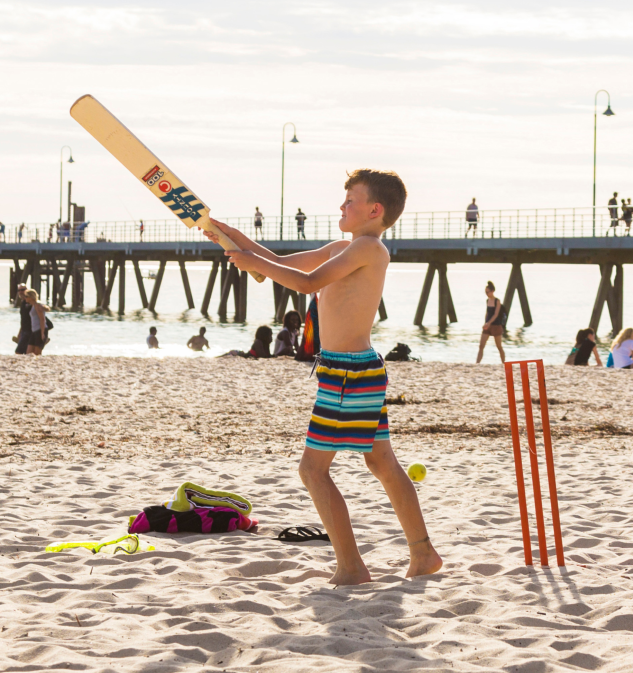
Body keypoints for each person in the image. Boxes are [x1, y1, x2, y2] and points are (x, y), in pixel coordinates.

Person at [205, 168, 441, 585]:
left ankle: (352, 567)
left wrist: (248, 262)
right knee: (382, 462)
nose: (341, 205)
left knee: (313, 471)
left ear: (374, 210)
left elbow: (308, 281)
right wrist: (228, 236)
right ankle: (423, 554)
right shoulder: (344, 246)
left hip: (349, 372)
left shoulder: (369, 249)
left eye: (350, 199)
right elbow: (278, 263)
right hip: (351, 369)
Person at [475, 282, 509, 363]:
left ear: (492, 291)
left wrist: (489, 323)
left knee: (499, 347)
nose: (486, 294)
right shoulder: (487, 300)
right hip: (487, 326)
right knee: (481, 345)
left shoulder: (497, 301)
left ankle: (503, 363)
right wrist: (485, 323)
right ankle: (477, 363)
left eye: (488, 292)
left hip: (496, 326)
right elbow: (487, 313)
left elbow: (496, 314)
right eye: (485, 292)